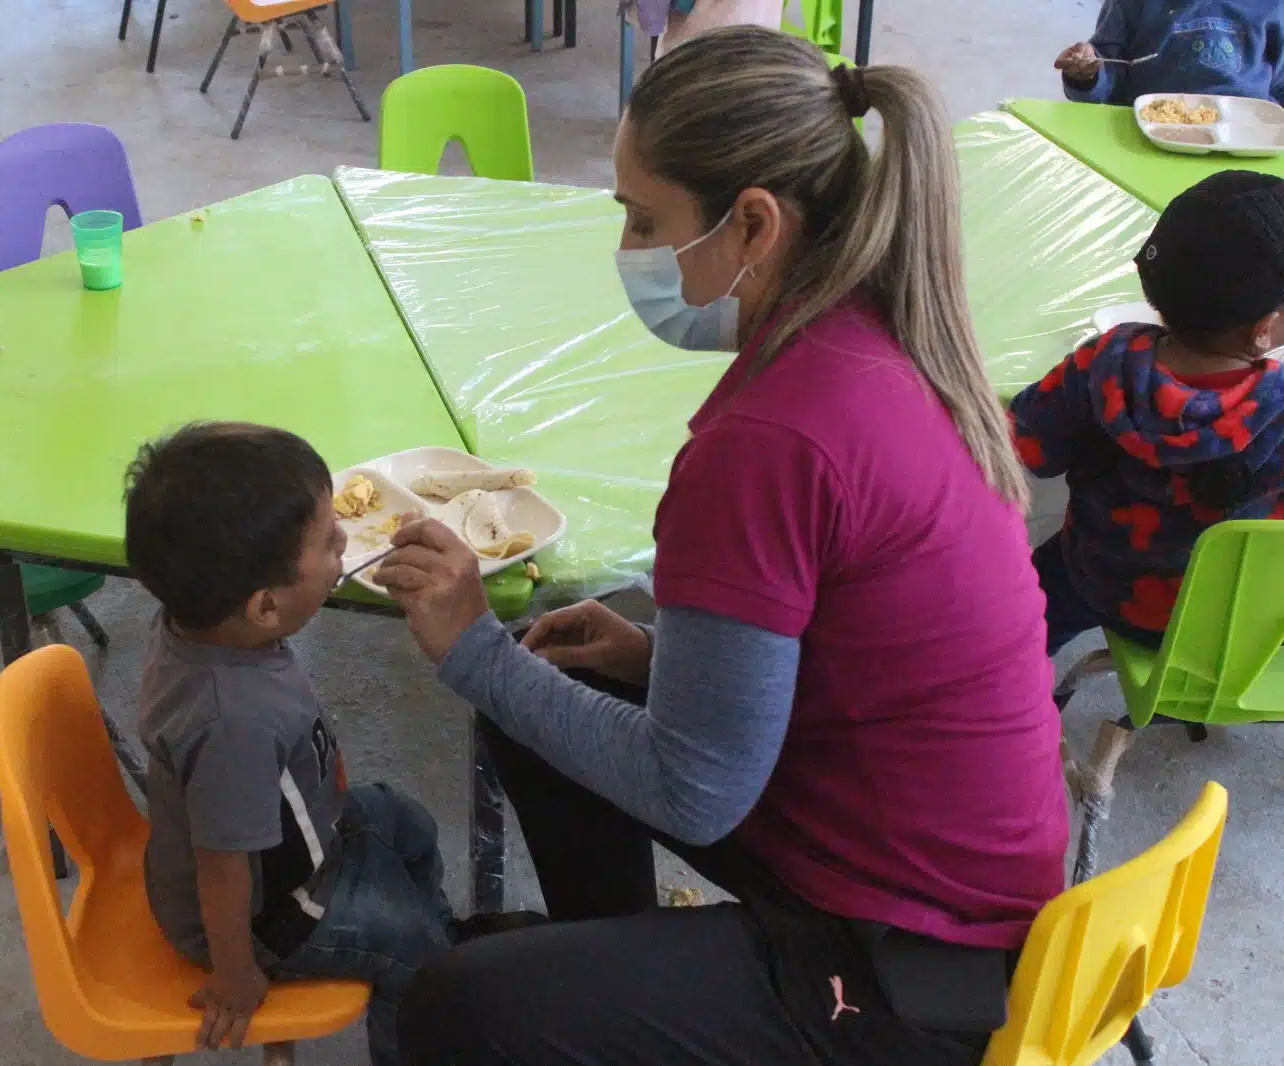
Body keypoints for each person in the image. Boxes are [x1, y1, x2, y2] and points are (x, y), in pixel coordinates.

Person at [374, 26, 1070, 1066]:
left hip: (921, 966)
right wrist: (657, 662)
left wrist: (464, 647)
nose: (627, 247)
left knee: (447, 1007)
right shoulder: (882, 330)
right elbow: (852, 648)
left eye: (643, 218)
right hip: (953, 867)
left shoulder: (768, 441)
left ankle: (624, 1008)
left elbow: (693, 789)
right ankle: (619, 979)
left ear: (753, 223)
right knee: (545, 680)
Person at [124, 422, 460, 1066]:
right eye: (331, 544)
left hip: (300, 834)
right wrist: (236, 973)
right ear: (265, 608)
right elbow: (222, 871)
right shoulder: (232, 724)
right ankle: (423, 1016)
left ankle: (439, 937)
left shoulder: (208, 625)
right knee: (414, 956)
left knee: (407, 822)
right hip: (262, 916)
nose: (345, 545)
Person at [1011, 171, 1284, 657]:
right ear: (1263, 330)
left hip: (1091, 573)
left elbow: (1028, 447)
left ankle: (1013, 672)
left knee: (1027, 607)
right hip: (1205, 623)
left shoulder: (1102, 360)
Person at [1055, 0, 1284, 106]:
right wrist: (1086, 75)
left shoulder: (1272, 6)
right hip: (1148, 130)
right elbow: (1106, 74)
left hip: (1248, 136)